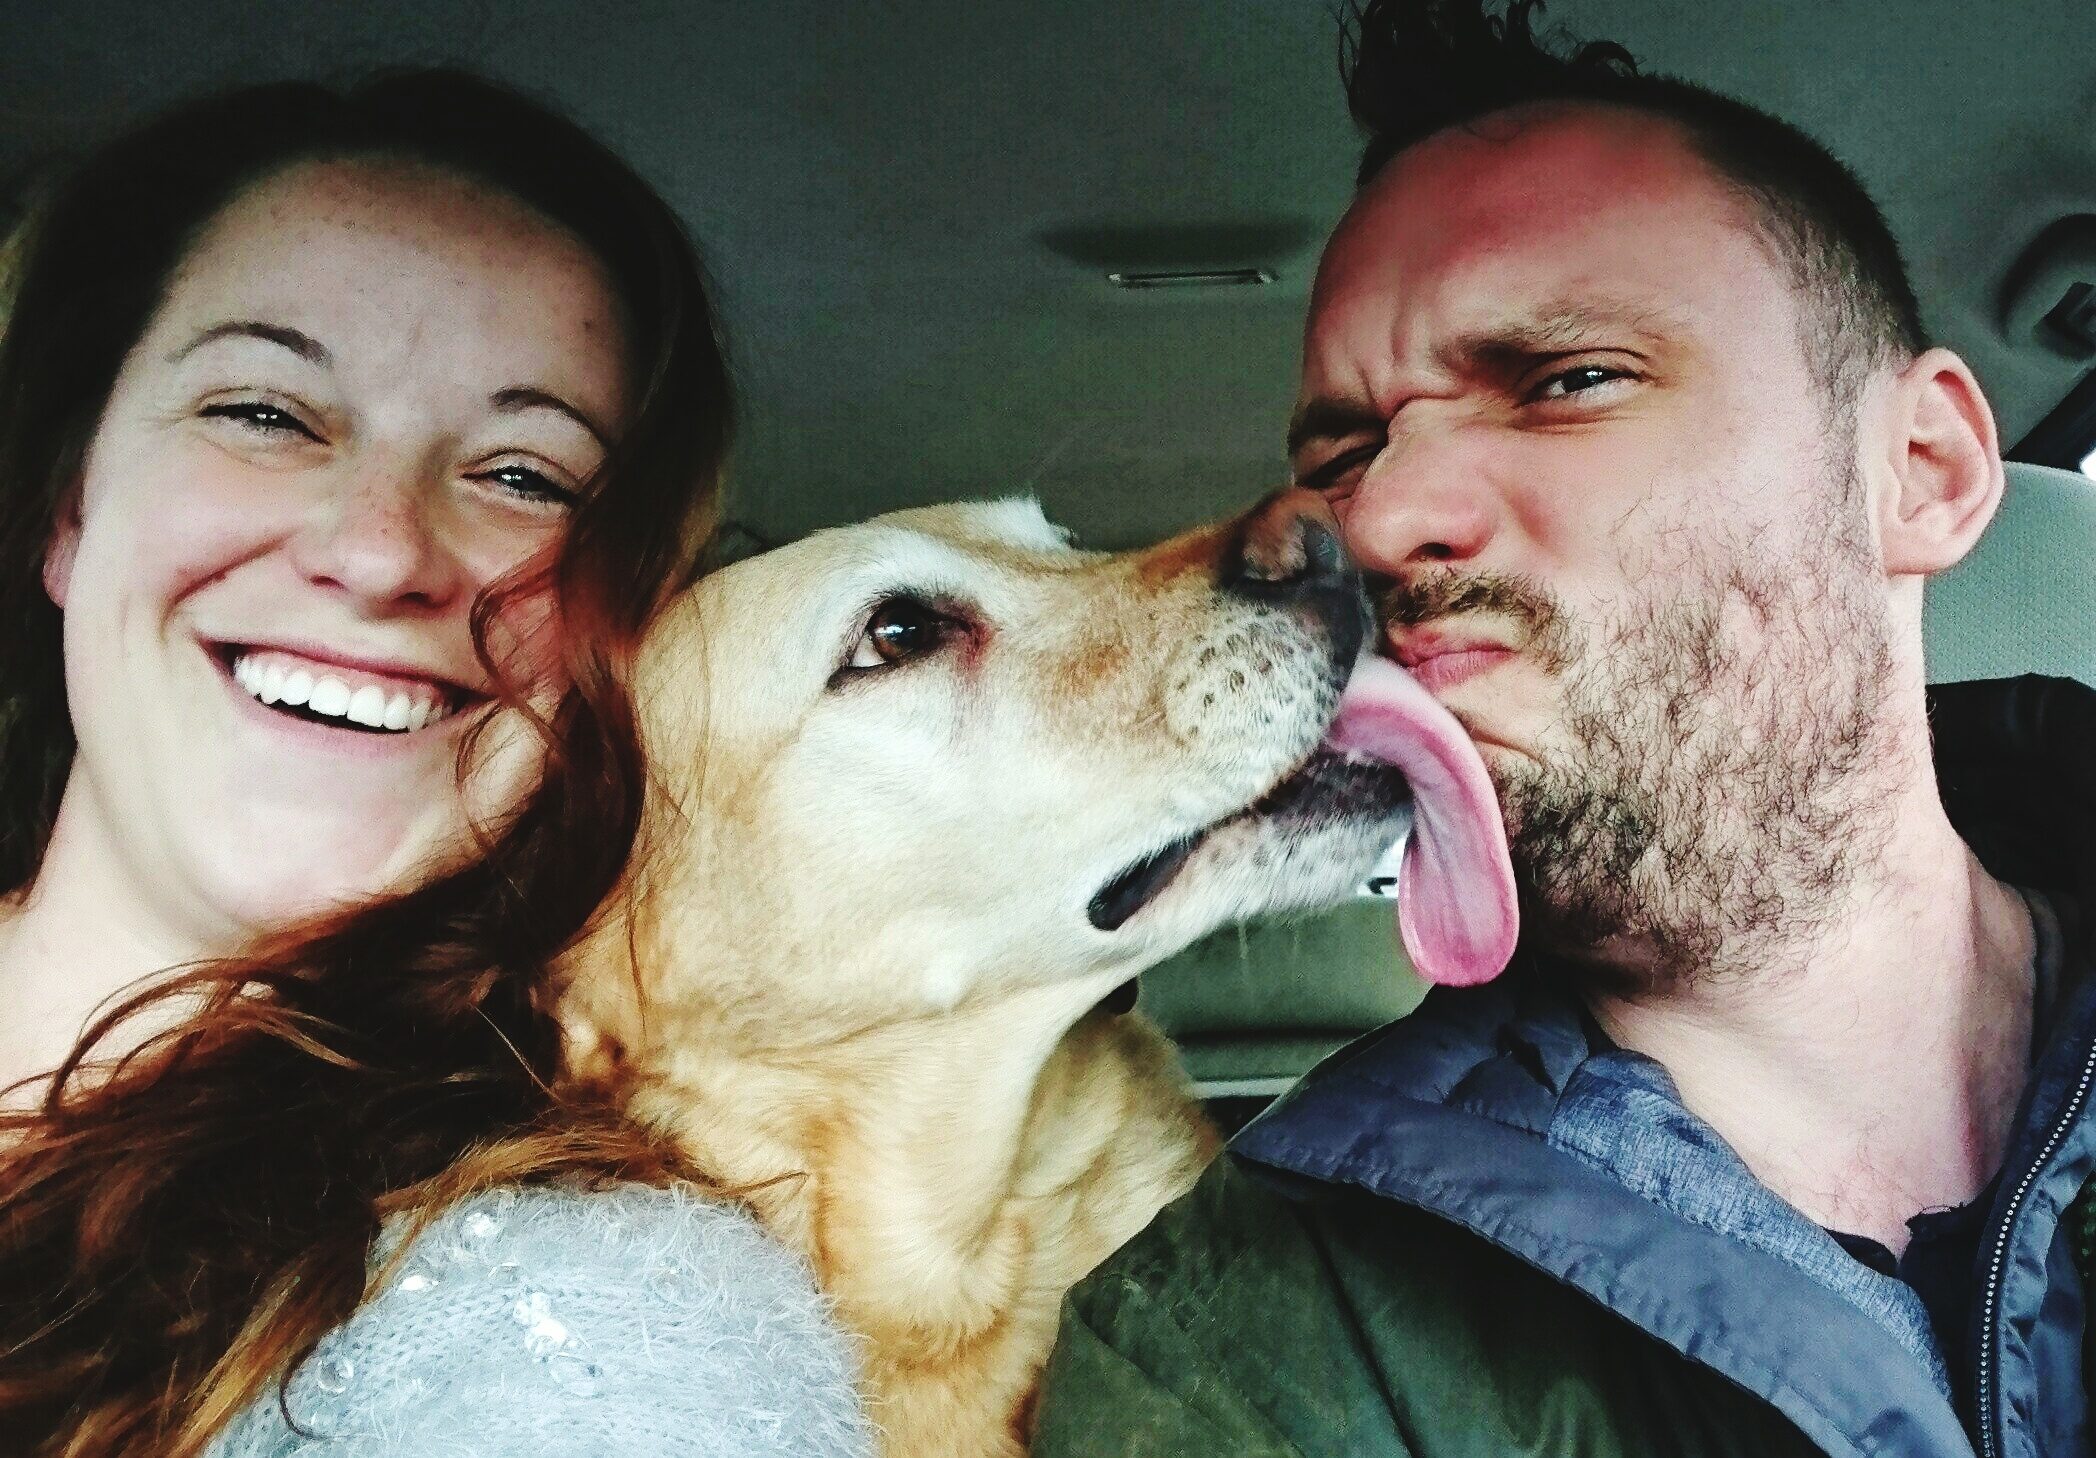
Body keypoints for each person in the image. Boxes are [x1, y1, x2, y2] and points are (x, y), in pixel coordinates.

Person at [1033, 3, 2094, 1455]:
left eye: (1568, 380)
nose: (1375, 521)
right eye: (1344, 451)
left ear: (1923, 468)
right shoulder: (1241, 1339)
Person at [0, 74, 870, 1457]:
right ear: (69, 506)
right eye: (267, 413)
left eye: (525, 476)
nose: (380, 550)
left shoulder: (595, 1319)